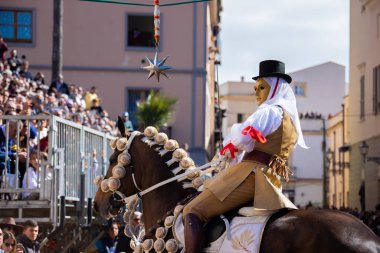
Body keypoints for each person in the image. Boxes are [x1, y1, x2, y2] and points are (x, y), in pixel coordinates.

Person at [183, 60, 308, 252]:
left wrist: (227, 148)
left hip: (251, 175)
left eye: (262, 87)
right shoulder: (289, 120)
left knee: (192, 210)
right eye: (256, 88)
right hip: (270, 180)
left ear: (274, 88)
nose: (257, 93)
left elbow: (242, 137)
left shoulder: (268, 111)